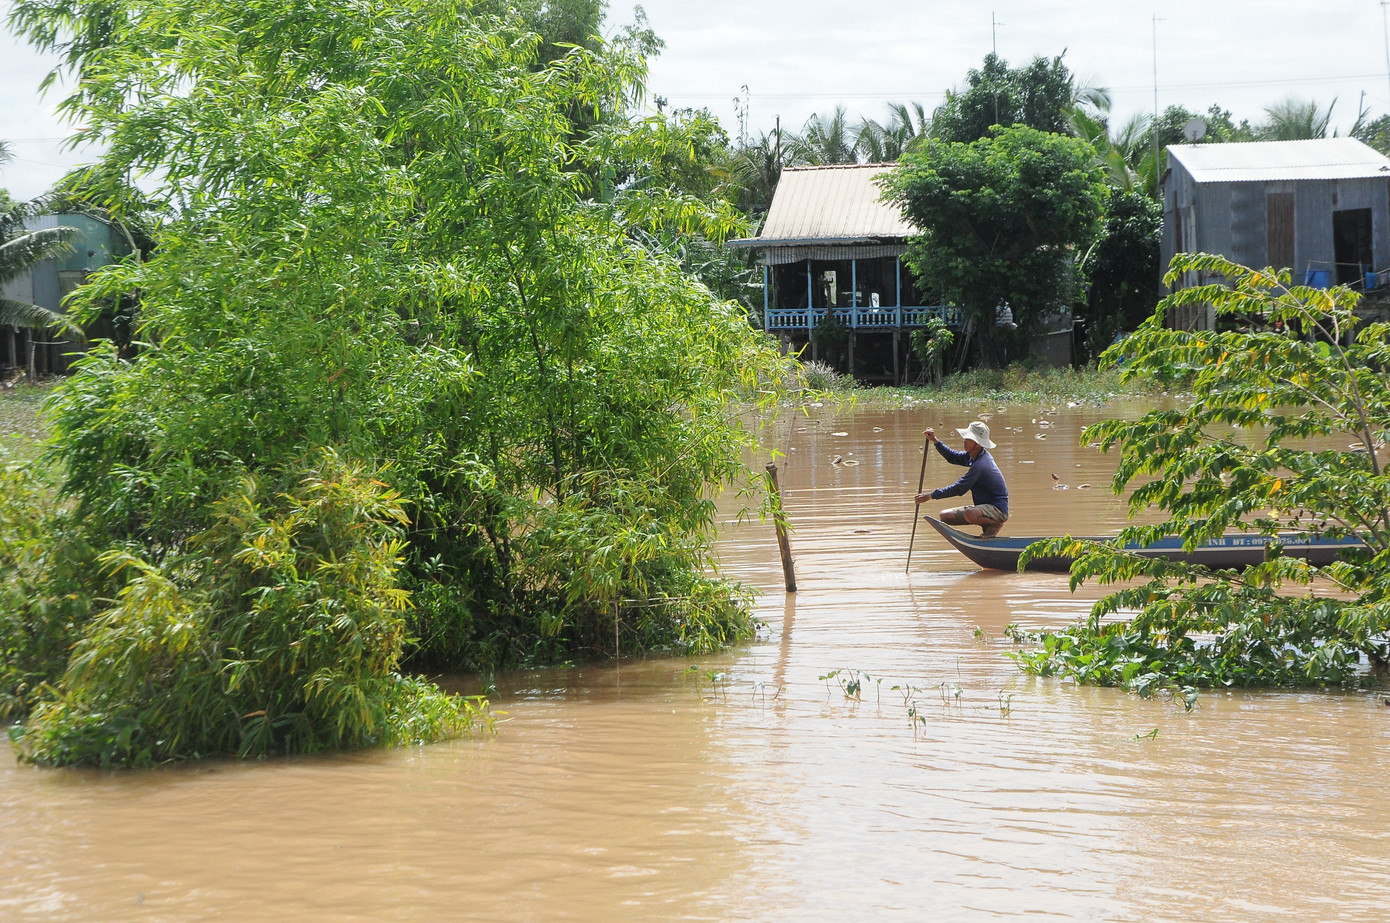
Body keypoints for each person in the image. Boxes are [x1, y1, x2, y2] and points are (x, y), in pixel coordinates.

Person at [914, 420, 1010, 538]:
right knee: (944, 516)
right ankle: (986, 525)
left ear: (978, 443)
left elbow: (959, 488)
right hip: (982, 508)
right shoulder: (973, 456)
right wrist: (935, 440)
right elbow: (952, 457)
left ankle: (995, 524)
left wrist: (931, 496)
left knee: (970, 514)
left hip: (997, 510)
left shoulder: (981, 464)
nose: (964, 442)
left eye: (968, 440)